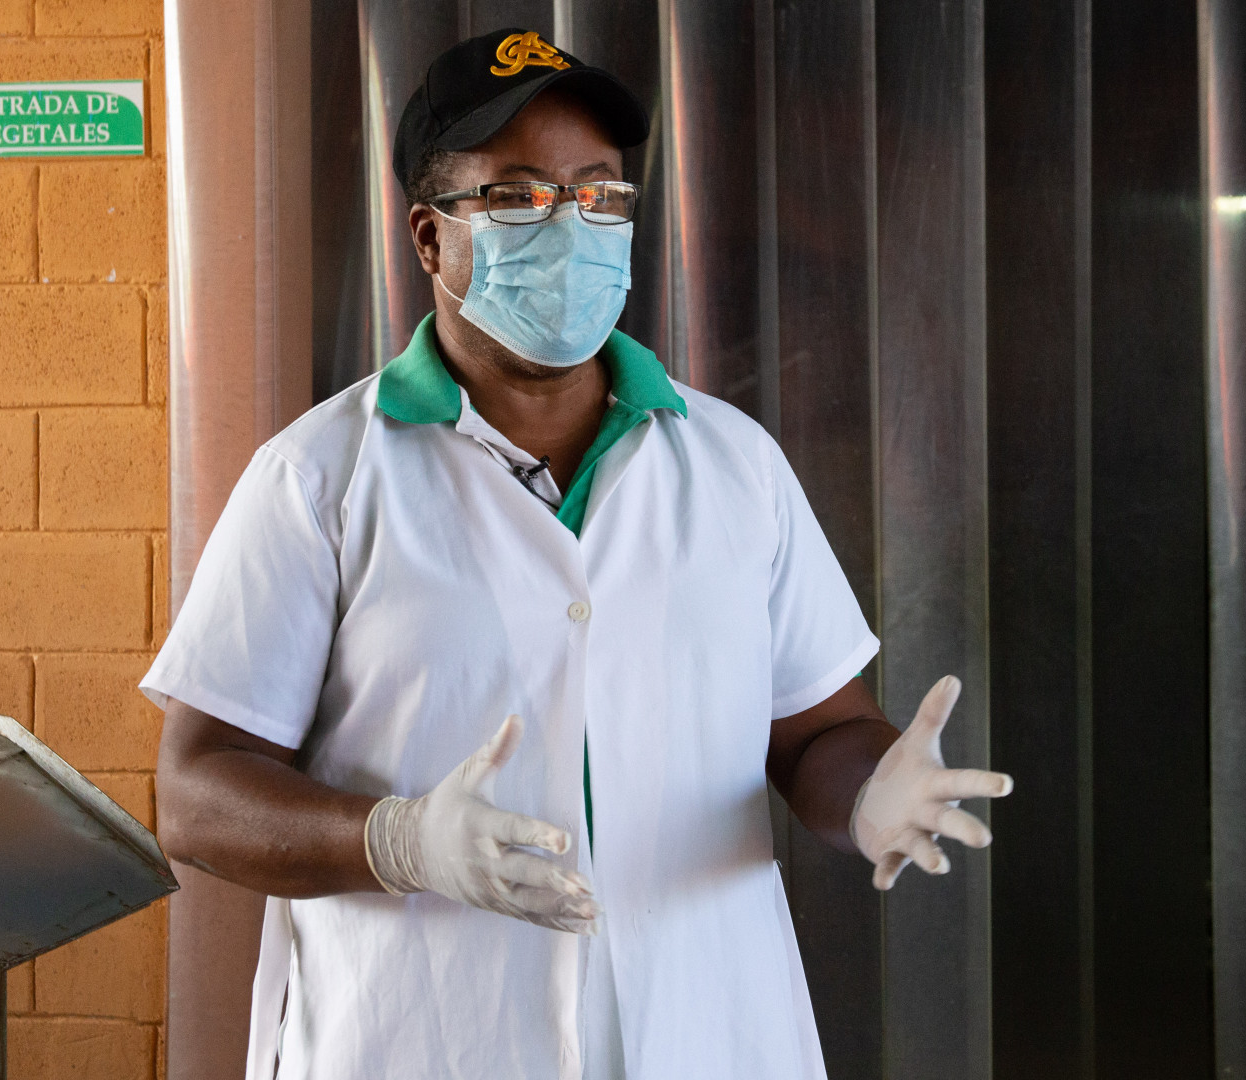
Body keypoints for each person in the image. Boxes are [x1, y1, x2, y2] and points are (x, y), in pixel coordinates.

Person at [144, 27, 1011, 1080]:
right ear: (429, 237)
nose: (569, 225)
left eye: (599, 195)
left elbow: (817, 732)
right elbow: (197, 796)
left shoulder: (733, 464)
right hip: (425, 1043)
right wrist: (398, 841)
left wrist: (870, 793)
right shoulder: (319, 479)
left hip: (704, 1038)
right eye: (516, 197)